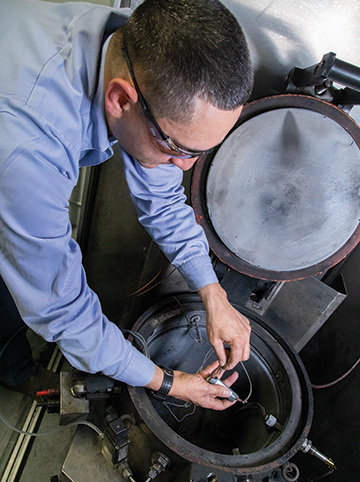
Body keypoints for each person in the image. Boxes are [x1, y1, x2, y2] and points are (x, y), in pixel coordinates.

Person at [0, 0, 253, 410]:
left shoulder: (125, 47)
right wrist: (168, 383)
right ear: (121, 100)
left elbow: (162, 196)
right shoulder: (26, 148)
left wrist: (213, 294)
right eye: (176, 148)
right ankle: (12, 369)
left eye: (198, 153)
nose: (184, 168)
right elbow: (62, 309)